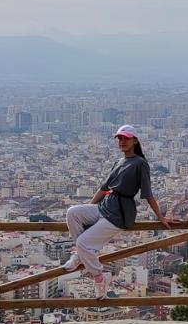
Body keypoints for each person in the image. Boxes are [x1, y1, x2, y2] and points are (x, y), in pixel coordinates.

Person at [63, 125, 172, 295]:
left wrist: (160, 217)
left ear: (135, 140)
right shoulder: (119, 162)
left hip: (119, 213)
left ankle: (99, 277)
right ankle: (80, 255)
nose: (122, 141)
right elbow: (104, 188)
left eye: (126, 138)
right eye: (120, 138)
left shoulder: (140, 164)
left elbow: (148, 194)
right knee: (73, 213)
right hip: (105, 206)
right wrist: (89, 209)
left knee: (83, 242)